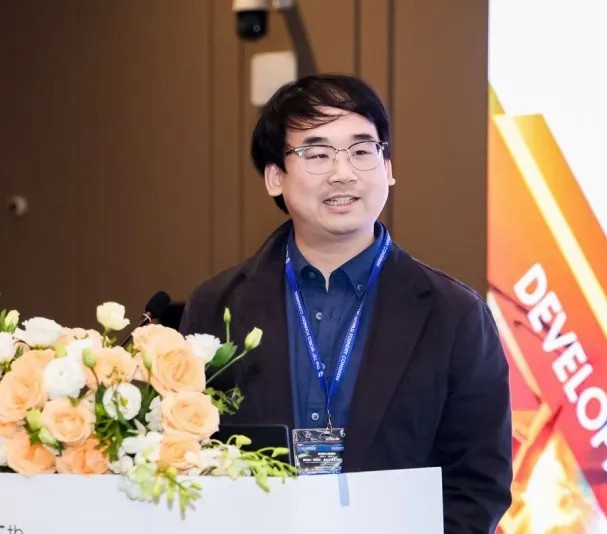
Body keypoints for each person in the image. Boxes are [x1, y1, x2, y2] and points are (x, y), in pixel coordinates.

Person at [179, 73, 512, 532]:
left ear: (388, 168)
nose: (343, 172)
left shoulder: (455, 314)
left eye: (361, 150)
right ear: (275, 177)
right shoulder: (217, 306)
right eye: (317, 154)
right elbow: (189, 459)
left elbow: (478, 483)